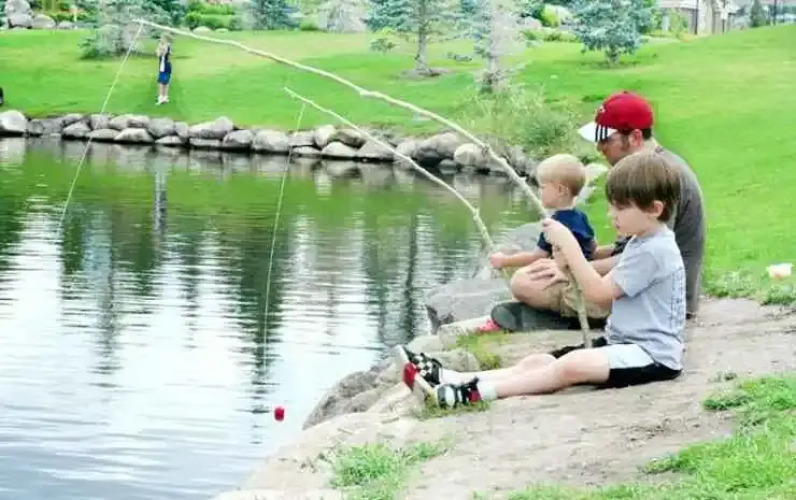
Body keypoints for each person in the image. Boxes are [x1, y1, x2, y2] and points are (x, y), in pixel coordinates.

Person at [397, 151, 686, 408]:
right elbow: (601, 281)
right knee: (540, 362)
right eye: (612, 206)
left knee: (571, 366)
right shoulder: (642, 241)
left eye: (621, 208)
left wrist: (570, 246)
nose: (611, 215)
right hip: (621, 345)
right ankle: (452, 377)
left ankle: (472, 394)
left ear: (654, 209)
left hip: (651, 356)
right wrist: (566, 264)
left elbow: (599, 294)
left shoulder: (655, 251)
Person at [512, 91, 705, 320]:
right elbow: (632, 249)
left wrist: (572, 268)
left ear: (634, 137)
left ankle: (568, 312)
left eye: (606, 140)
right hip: (640, 279)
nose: (599, 148)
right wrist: (581, 255)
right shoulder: (649, 169)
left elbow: (642, 258)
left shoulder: (655, 177)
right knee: (537, 272)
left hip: (658, 299)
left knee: (525, 283)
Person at [477, 154, 598, 332]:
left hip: (564, 277)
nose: (539, 192)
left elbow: (536, 256)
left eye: (542, 187)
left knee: (524, 280)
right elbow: (593, 246)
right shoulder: (581, 217)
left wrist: (504, 260)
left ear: (560, 190)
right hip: (579, 274)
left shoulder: (555, 225)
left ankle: (515, 316)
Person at [156, 34, 173, 105]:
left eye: (162, 38)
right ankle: (164, 97)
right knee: (165, 82)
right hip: (166, 65)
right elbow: (158, 54)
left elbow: (163, 52)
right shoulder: (167, 46)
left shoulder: (166, 46)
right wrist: (159, 48)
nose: (160, 39)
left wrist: (159, 46)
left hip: (164, 66)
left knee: (161, 82)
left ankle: (162, 97)